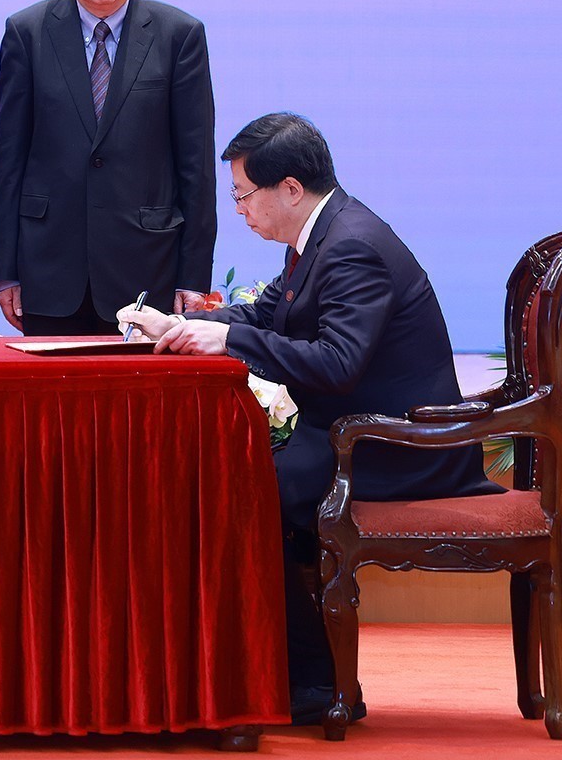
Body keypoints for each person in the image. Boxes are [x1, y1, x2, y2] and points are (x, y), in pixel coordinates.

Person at [119, 112, 498, 722]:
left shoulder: (351, 246)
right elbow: (268, 315)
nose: (240, 209)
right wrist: (183, 326)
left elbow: (337, 363)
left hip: (396, 448)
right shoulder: (318, 237)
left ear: (290, 188)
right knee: (235, 477)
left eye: (243, 194)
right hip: (348, 433)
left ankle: (314, 686)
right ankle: (290, 674)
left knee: (244, 491)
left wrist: (228, 342)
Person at [0, 0, 216, 335]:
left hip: (148, 267)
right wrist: (5, 271)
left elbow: (197, 166)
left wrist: (193, 276)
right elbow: (8, 162)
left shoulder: (179, 35)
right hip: (49, 267)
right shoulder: (27, 32)